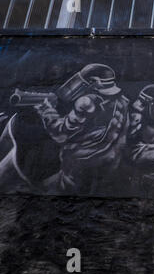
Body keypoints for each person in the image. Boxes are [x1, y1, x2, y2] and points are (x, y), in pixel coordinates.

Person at [34, 63, 130, 194]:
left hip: (77, 172)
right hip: (107, 170)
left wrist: (47, 112)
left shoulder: (86, 102)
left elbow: (61, 134)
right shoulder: (122, 101)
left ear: (94, 82)